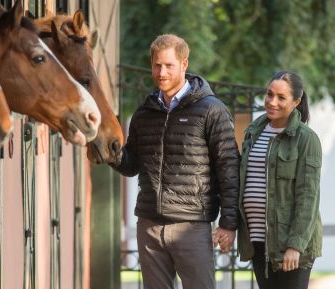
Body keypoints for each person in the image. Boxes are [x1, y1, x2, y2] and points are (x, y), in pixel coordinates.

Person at [111, 34, 239, 289]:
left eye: (169, 65)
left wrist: (229, 222)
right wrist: (109, 153)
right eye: (157, 65)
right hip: (149, 225)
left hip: (191, 225)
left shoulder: (212, 110)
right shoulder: (144, 113)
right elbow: (132, 164)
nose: (162, 72)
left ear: (184, 64)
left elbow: (229, 167)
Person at [237, 71, 323, 289]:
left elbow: (308, 197)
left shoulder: (306, 139)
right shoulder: (253, 133)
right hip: (258, 241)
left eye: (281, 97)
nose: (272, 102)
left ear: (296, 102)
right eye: (269, 94)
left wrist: (295, 245)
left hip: (290, 244)